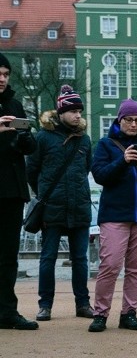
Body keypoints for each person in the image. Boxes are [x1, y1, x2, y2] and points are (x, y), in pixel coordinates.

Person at [88, 98, 137, 332]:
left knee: (135, 269)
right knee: (110, 265)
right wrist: (123, 161)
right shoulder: (106, 145)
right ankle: (100, 314)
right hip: (115, 214)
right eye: (129, 119)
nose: (134, 124)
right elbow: (100, 175)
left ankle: (129, 313)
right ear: (119, 119)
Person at [26, 85, 94, 322]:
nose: (78, 115)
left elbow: (86, 169)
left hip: (79, 206)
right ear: (61, 112)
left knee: (80, 259)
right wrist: (45, 193)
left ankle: (83, 304)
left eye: (79, 111)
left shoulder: (84, 140)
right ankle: (45, 305)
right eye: (73, 110)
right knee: (48, 258)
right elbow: (31, 171)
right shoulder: (43, 138)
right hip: (52, 206)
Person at [0, 52, 38, 330]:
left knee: (8, 255)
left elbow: (30, 148)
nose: (2, 79)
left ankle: (7, 312)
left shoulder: (14, 104)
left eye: (5, 74)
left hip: (12, 189)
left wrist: (25, 137)